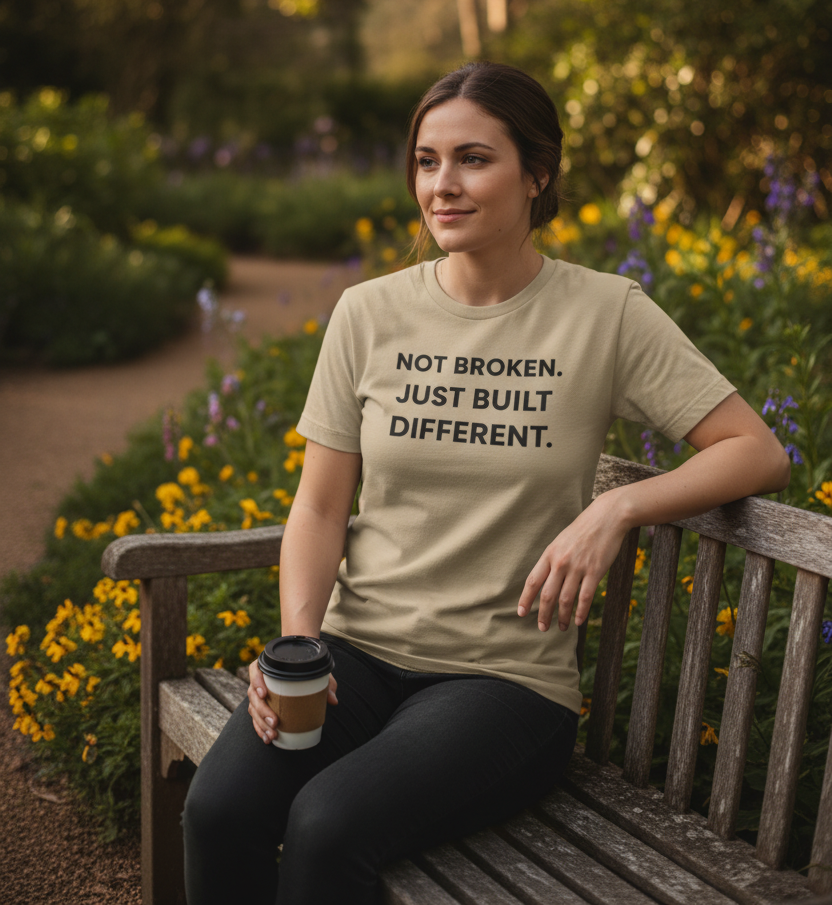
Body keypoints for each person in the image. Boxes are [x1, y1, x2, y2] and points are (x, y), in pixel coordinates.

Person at [183, 61, 790, 905]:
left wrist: (619, 505)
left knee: (327, 825)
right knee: (217, 810)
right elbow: (320, 506)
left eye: (473, 159)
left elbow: (754, 449)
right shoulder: (368, 313)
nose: (443, 185)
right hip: (355, 654)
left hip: (504, 684)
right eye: (427, 162)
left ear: (536, 174)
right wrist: (301, 644)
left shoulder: (605, 313)